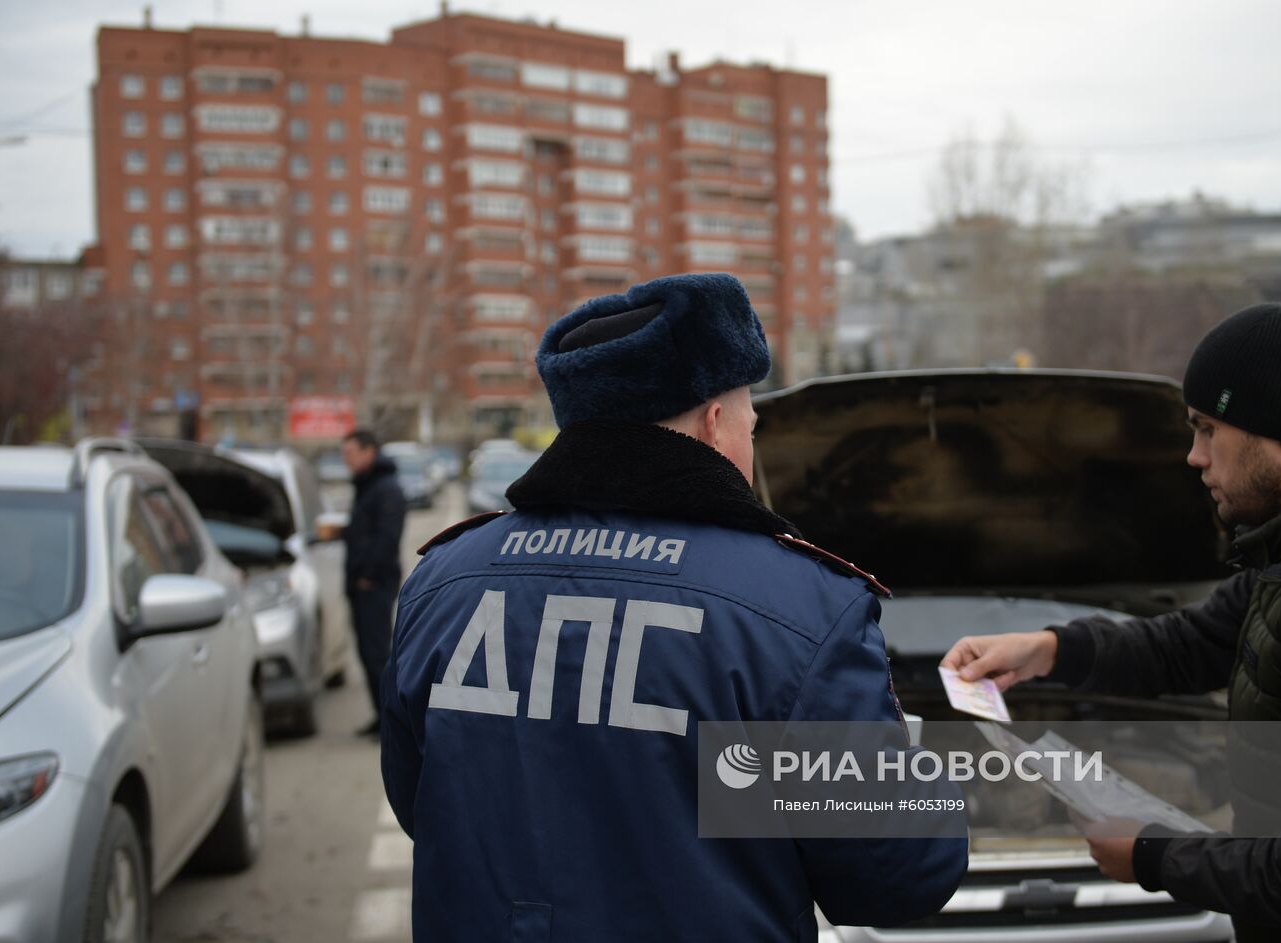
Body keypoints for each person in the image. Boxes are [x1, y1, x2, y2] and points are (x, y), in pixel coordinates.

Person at [380, 273, 968, 942]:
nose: (752, 438)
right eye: (752, 419)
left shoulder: (442, 581)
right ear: (716, 421)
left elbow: (421, 803)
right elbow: (895, 876)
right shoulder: (800, 609)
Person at [942, 302, 1281, 941]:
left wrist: (1153, 855)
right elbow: (1195, 642)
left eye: (1207, 428)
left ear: (1273, 426)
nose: (1193, 456)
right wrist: (1048, 649)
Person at [341, 427, 406, 737]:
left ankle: (391, 721)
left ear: (370, 452)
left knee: (378, 652)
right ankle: (380, 715)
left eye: (351, 454)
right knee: (367, 653)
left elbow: (387, 537)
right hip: (359, 583)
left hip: (374, 584)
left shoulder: (386, 488)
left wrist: (368, 576)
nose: (346, 461)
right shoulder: (366, 485)